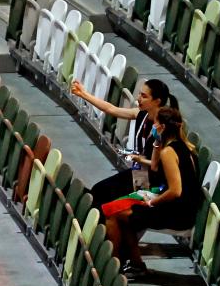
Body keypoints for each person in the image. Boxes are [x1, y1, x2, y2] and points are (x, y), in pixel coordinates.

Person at [105, 107, 202, 279]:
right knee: (118, 209)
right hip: (180, 206)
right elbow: (155, 167)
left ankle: (113, 269)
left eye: (156, 122)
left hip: (178, 213)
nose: (152, 124)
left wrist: (151, 202)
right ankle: (135, 264)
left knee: (114, 214)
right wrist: (157, 142)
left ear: (162, 126)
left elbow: (175, 191)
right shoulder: (183, 146)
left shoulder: (169, 152)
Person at [70, 78, 177, 211]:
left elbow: (160, 166)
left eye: (144, 96)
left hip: (153, 182)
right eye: (139, 94)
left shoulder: (164, 127)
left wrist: (140, 159)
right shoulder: (141, 114)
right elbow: (111, 109)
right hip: (139, 172)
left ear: (157, 101)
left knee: (104, 198)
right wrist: (83, 94)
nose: (139, 98)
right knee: (99, 190)